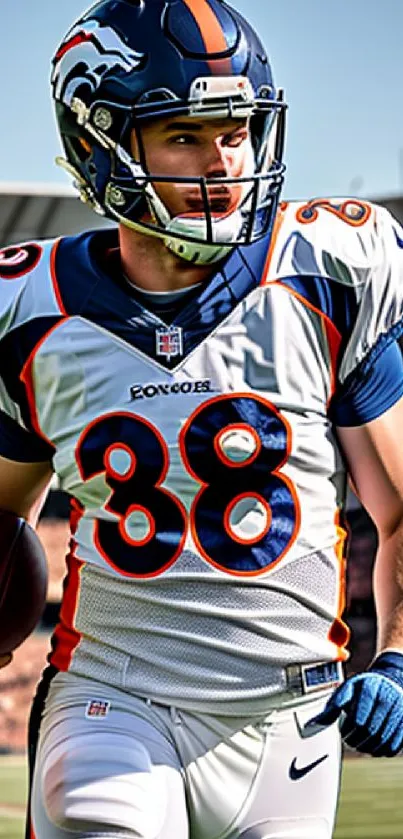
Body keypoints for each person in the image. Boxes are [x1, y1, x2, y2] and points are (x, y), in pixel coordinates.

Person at [1, 1, 403, 837]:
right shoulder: (32, 310)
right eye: (184, 134)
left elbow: (400, 509)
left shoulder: (327, 274)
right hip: (115, 698)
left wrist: (398, 662)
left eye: (237, 131)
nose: (223, 162)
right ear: (100, 144)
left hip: (293, 717)